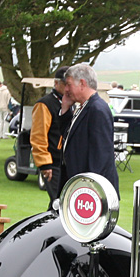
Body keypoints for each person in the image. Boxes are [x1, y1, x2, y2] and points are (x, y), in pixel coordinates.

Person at [60, 63, 119, 196]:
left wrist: (91, 191)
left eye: (69, 84)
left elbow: (101, 155)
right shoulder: (82, 107)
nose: (66, 90)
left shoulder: (97, 109)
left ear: (82, 83)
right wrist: (65, 109)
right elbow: (67, 138)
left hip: (90, 191)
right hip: (76, 185)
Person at [31, 66, 69, 205]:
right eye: (65, 84)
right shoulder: (45, 104)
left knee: (62, 204)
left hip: (67, 162)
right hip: (52, 162)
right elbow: (38, 136)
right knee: (58, 203)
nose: (67, 88)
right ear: (56, 83)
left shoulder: (72, 103)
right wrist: (44, 163)